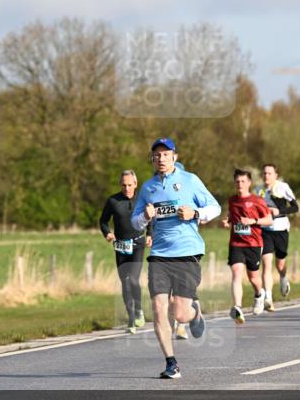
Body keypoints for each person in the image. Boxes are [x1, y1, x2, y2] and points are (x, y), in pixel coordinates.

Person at [131, 138, 221, 379]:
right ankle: (171, 363)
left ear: (175, 157)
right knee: (159, 308)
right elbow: (135, 220)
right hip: (159, 255)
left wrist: (196, 213)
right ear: (153, 159)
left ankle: (195, 313)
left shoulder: (190, 180)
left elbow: (215, 207)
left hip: (187, 252)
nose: (161, 159)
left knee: (179, 313)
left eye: (165, 154)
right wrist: (145, 217)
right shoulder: (148, 187)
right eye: (157, 155)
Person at [99, 170, 152, 334]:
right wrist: (107, 233)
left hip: (137, 244)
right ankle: (131, 318)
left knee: (134, 280)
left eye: (130, 185)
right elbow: (103, 221)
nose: (127, 188)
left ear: (135, 184)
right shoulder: (113, 201)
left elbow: (150, 217)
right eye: (124, 185)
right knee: (125, 281)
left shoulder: (143, 200)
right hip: (121, 245)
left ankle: (138, 310)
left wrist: (150, 234)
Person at [222, 169, 273, 323]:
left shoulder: (257, 200)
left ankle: (259, 294)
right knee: (237, 272)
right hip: (236, 243)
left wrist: (254, 222)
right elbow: (231, 215)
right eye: (237, 181)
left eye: (243, 181)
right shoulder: (232, 200)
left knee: (253, 277)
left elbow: (269, 220)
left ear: (249, 183)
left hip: (254, 243)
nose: (240, 184)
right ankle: (237, 307)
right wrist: (227, 221)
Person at [255, 163, 299, 311]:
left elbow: (295, 207)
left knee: (280, 264)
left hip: (281, 229)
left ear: (275, 175)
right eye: (264, 173)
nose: (266, 176)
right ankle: (268, 297)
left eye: (269, 173)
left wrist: (278, 211)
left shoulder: (283, 187)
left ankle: (283, 277)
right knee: (266, 264)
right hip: (265, 230)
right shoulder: (258, 190)